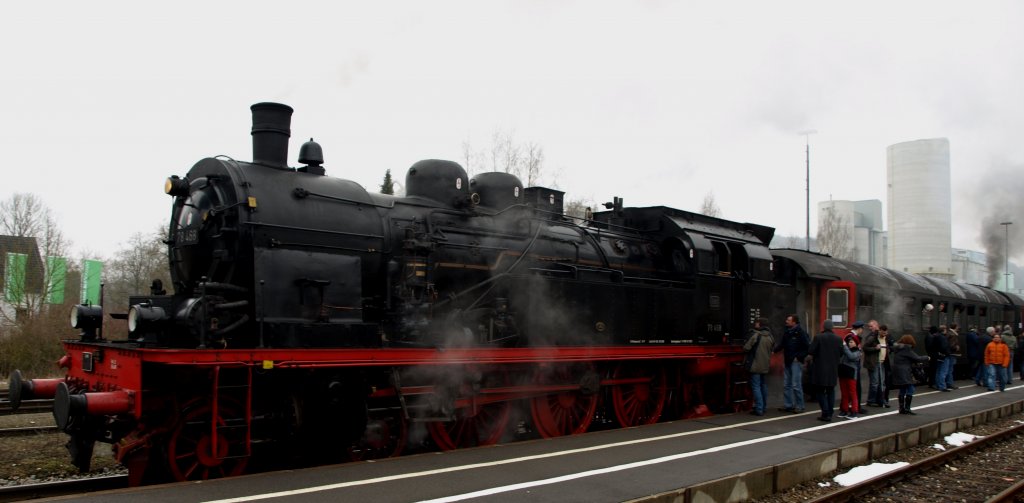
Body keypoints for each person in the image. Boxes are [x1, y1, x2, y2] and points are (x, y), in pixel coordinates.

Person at [806, 320, 843, 422]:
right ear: (832, 327)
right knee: (831, 391)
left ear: (824, 327)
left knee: (820, 391)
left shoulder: (818, 337)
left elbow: (811, 351)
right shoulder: (838, 339)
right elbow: (841, 353)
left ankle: (825, 412)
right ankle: (830, 412)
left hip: (820, 369)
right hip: (833, 369)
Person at [774, 314, 810, 413]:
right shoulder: (787, 332)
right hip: (788, 361)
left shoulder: (801, 333)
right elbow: (782, 344)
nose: (786, 321)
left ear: (794, 322)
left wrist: (798, 357)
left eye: (788, 320)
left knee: (796, 385)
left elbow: (807, 347)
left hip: (796, 362)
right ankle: (788, 405)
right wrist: (774, 351)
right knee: (787, 384)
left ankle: (800, 406)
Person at [890, 334, 930, 414]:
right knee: (911, 388)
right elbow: (917, 358)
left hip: (898, 371)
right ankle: (907, 408)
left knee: (903, 388)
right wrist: (927, 357)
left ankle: (902, 409)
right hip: (905, 371)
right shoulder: (906, 349)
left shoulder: (898, 348)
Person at [743, 317, 775, 416]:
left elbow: (746, 348)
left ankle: (759, 409)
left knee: (756, 386)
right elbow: (772, 349)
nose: (755, 324)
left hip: (755, 364)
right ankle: (763, 407)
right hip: (765, 365)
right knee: (763, 385)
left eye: (757, 323)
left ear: (760, 324)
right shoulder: (770, 337)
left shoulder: (756, 335)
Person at [838, 334, 862, 418]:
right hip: (843, 373)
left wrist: (845, 346)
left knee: (852, 393)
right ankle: (844, 409)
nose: (849, 343)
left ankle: (854, 411)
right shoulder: (846, 350)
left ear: (856, 343)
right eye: (849, 342)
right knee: (844, 393)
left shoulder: (858, 352)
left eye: (851, 342)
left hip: (851, 374)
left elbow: (851, 356)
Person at [862, 320, 884, 407]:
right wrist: (875, 348)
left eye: (871, 326)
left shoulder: (880, 336)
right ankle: (871, 400)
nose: (870, 328)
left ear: (876, 325)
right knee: (875, 382)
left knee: (879, 382)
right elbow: (865, 347)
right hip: (873, 362)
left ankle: (879, 400)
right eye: (869, 326)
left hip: (879, 361)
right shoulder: (871, 337)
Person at [929, 326, 952, 391]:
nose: (946, 331)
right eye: (945, 329)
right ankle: (942, 386)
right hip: (944, 356)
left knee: (938, 371)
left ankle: (938, 385)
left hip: (938, 356)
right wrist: (948, 353)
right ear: (943, 330)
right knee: (943, 371)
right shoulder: (942, 338)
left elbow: (932, 347)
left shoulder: (935, 337)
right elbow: (944, 347)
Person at [878, 324, 893, 407]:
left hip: (886, 362)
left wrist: (890, 349)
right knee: (880, 382)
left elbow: (893, 346)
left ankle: (885, 399)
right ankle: (881, 399)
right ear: (880, 330)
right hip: (878, 362)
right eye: (883, 332)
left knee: (885, 381)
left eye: (885, 332)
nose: (885, 334)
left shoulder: (888, 337)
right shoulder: (875, 338)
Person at [944, 323, 960, 390]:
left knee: (947, 369)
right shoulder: (953, 335)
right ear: (955, 327)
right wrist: (956, 348)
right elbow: (952, 345)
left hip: (948, 353)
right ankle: (950, 383)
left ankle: (947, 383)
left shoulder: (948, 333)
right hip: (952, 354)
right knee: (950, 369)